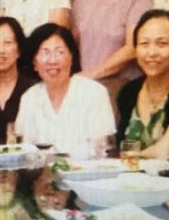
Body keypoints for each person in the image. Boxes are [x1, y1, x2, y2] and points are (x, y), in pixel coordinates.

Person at [15, 23, 115, 155]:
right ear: (34, 63)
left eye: (59, 52)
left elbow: (100, 150)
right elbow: (24, 149)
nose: (52, 60)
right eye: (45, 53)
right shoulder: (29, 98)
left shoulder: (94, 93)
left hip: (86, 167)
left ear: (71, 58)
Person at [116, 10, 169, 158]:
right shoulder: (128, 91)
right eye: (144, 43)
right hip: (129, 172)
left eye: (162, 43)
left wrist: (124, 161)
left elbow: (163, 152)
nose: (152, 53)